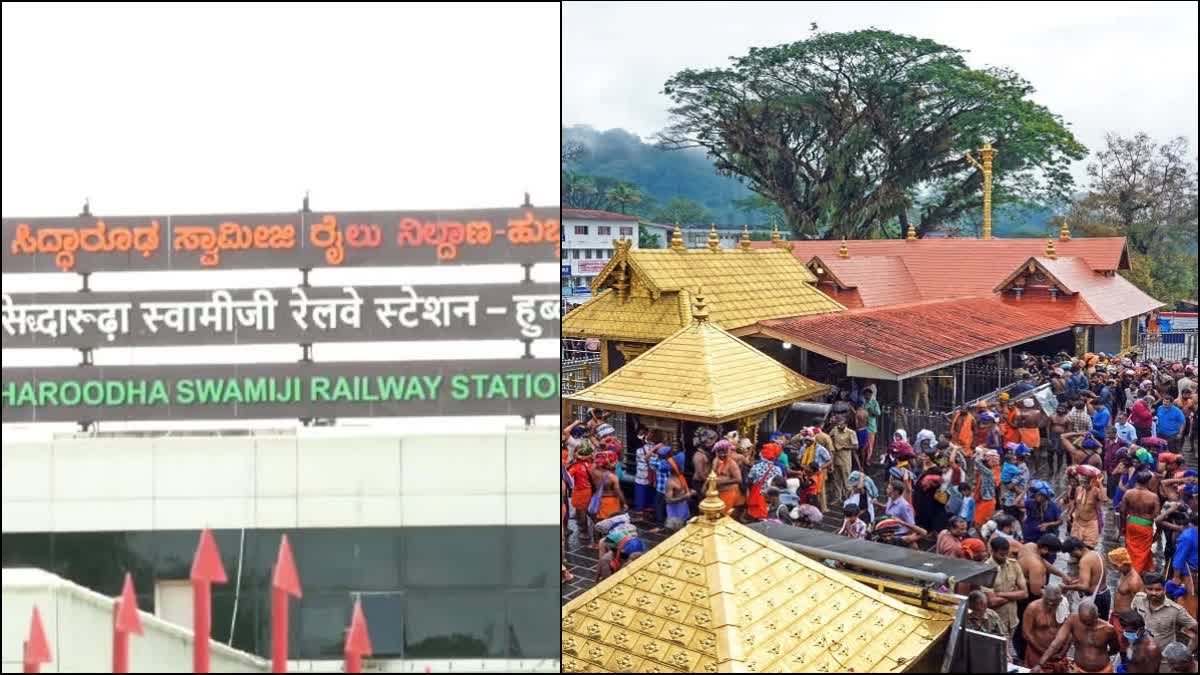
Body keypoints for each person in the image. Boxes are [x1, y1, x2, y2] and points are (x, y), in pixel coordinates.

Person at [1031, 599, 1118, 673]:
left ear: (1097, 615)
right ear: (1079, 617)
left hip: (1102, 670)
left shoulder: (1108, 629)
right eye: (1084, 622)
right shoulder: (1073, 620)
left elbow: (1115, 649)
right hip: (1078, 669)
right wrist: (1040, 664)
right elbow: (1057, 642)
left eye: (1090, 622)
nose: (1087, 626)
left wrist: (1098, 658)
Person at [1132, 573, 1199, 668]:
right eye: (1150, 589)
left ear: (1165, 589)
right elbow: (1133, 616)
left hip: (1164, 662)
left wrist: (1188, 651)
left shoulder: (1176, 610)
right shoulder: (1138, 599)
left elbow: (1196, 629)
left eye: (1158, 589)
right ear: (1144, 588)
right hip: (1143, 656)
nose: (1154, 593)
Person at [985, 536, 1028, 643]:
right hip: (994, 622)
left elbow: (1025, 593)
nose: (1005, 557)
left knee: (1006, 648)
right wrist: (1014, 594)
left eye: (1006, 554)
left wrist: (999, 594)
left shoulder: (1014, 564)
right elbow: (991, 602)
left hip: (1012, 620)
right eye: (1001, 554)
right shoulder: (986, 570)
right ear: (992, 551)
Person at [1119, 471, 1161, 574]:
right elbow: (1157, 515)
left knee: (1132, 549)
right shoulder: (1153, 496)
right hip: (1145, 526)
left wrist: (1122, 527)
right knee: (1142, 551)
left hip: (1131, 523)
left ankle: (1144, 569)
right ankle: (1135, 573)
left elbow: (1122, 511)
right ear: (1148, 482)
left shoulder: (1128, 493)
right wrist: (1158, 532)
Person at [1062, 537, 1110, 620]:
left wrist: (1066, 587)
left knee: (1088, 627)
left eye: (1071, 553)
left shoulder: (1084, 561)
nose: (1072, 556)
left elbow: (1084, 586)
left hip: (1096, 599)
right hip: (1105, 594)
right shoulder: (1096, 554)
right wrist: (1075, 581)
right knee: (1101, 625)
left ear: (1076, 549)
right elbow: (1095, 577)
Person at [1022, 584, 1068, 669]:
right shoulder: (1033, 608)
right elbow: (1026, 634)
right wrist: (1044, 652)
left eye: (1054, 602)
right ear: (1043, 595)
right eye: (1048, 600)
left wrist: (1063, 651)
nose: (1050, 604)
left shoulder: (1063, 606)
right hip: (1037, 653)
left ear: (1060, 599)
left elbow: (1068, 630)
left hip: (1058, 655)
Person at [966, 589, 1010, 668]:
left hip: (991, 651)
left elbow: (1004, 635)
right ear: (970, 607)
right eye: (977, 610)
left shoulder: (991, 614)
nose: (981, 613)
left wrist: (1006, 653)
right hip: (972, 653)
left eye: (984, 608)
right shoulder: (964, 618)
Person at [1067, 462, 1105, 549]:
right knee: (1074, 548)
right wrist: (1070, 513)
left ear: (1092, 481)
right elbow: (1075, 503)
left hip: (1090, 524)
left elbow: (1104, 499)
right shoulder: (1078, 489)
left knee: (1088, 548)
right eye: (1082, 481)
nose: (1084, 483)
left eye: (1086, 481)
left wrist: (1100, 484)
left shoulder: (1096, 491)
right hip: (1077, 522)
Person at [745, 443, 784, 521]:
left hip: (757, 496)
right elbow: (779, 484)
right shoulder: (778, 469)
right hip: (771, 498)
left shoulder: (756, 467)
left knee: (754, 519)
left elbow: (748, 480)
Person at [1114, 609, 1161, 673]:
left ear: (1140, 630)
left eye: (1129, 632)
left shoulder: (1150, 649)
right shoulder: (1127, 638)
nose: (1125, 633)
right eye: (1125, 630)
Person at [828, 414, 858, 501]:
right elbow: (829, 439)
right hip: (835, 459)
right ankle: (837, 498)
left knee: (847, 480)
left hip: (845, 460)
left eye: (841, 424)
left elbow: (856, 446)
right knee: (837, 480)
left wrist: (844, 447)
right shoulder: (834, 431)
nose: (839, 426)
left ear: (845, 424)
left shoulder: (851, 433)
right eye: (838, 424)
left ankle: (849, 498)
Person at [662, 451, 693, 532]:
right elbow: (668, 500)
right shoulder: (670, 482)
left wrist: (690, 492)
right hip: (675, 513)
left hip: (683, 509)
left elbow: (683, 491)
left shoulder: (681, 477)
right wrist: (685, 496)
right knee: (675, 532)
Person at [711, 440, 742, 516]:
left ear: (728, 451)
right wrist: (706, 486)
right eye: (719, 452)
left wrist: (721, 482)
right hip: (718, 493)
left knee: (724, 515)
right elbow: (712, 475)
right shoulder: (716, 461)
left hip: (729, 492)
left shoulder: (732, 463)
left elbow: (739, 479)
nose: (722, 454)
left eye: (724, 452)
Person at [974, 448, 1002, 529]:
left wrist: (982, 453)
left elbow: (977, 462)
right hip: (983, 500)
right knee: (978, 524)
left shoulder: (989, 472)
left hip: (987, 501)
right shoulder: (992, 470)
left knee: (979, 525)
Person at [863, 384, 881, 465]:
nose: (868, 395)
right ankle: (863, 458)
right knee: (864, 444)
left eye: (869, 393)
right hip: (863, 427)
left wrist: (871, 411)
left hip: (871, 427)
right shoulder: (863, 403)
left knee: (870, 445)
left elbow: (878, 413)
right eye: (866, 393)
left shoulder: (874, 403)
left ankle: (868, 459)